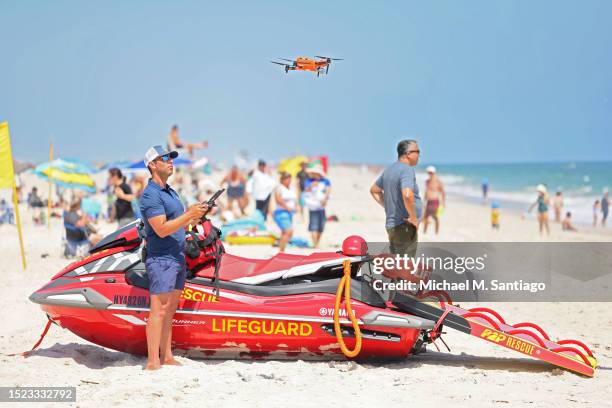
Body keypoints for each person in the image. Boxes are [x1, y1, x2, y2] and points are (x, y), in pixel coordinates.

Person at [139, 145, 208, 370]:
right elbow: (160, 229)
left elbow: (178, 224)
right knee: (158, 310)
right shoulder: (150, 194)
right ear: (152, 165)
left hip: (177, 256)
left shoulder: (170, 191)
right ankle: (152, 361)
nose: (171, 161)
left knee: (169, 311)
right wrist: (188, 214)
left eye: (171, 158)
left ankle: (166, 356)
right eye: (164, 158)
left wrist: (194, 217)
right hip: (161, 258)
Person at [370, 139, 422, 256]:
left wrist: (388, 207)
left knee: (397, 264)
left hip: (393, 225)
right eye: (417, 152)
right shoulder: (406, 169)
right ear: (408, 154)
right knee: (405, 266)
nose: (419, 155)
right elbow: (407, 195)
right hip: (404, 227)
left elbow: (374, 190)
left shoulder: (389, 169)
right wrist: (414, 219)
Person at [303, 164, 331, 248]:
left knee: (321, 226)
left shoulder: (325, 181)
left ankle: (317, 243)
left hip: (321, 206)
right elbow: (305, 191)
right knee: (314, 225)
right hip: (313, 207)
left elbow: (328, 190)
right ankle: (315, 244)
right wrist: (311, 186)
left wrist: (325, 199)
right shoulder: (309, 181)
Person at [273, 172, 298, 252]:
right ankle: (281, 251)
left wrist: (296, 207)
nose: (289, 180)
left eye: (290, 178)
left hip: (289, 213)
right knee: (288, 232)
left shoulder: (291, 188)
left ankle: (281, 250)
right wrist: (287, 208)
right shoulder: (279, 188)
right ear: (283, 180)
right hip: (281, 212)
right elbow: (278, 199)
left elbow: (294, 199)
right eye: (287, 179)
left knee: (285, 233)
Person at [422, 166, 445, 235]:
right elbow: (426, 191)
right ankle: (424, 232)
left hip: (435, 201)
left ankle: (436, 233)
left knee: (435, 217)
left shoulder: (438, 181)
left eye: (431, 173)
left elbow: (442, 192)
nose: (430, 174)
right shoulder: (427, 181)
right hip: (428, 202)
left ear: (434, 173)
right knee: (425, 217)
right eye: (429, 173)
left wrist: (443, 202)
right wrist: (424, 201)